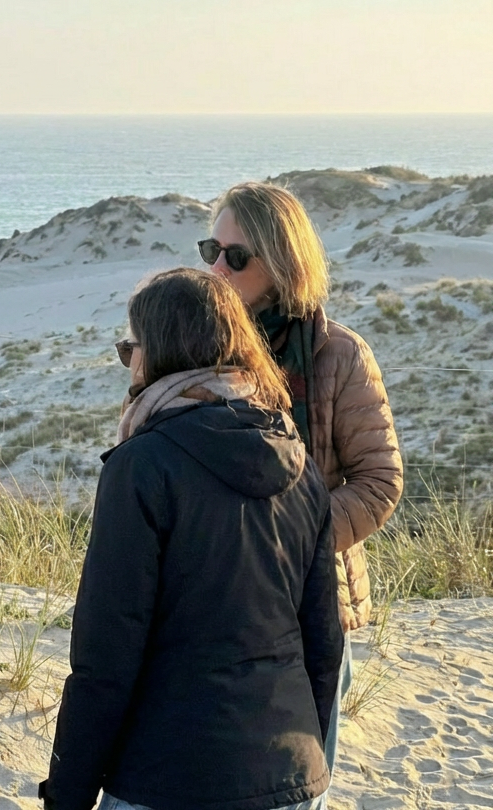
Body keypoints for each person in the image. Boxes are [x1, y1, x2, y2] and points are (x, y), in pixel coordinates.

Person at [41, 268, 343, 810]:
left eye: (131, 347)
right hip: (290, 773)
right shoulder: (298, 461)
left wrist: (67, 794)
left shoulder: (142, 466)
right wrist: (305, 758)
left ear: (158, 353)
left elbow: (105, 657)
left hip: (169, 776)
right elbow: (323, 641)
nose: (129, 363)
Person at [200, 181, 403, 771]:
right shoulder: (202, 347)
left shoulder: (339, 356)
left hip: (311, 601)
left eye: (236, 257)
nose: (217, 268)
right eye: (209, 250)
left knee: (304, 773)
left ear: (283, 264)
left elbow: (379, 480)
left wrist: (293, 540)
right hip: (215, 596)